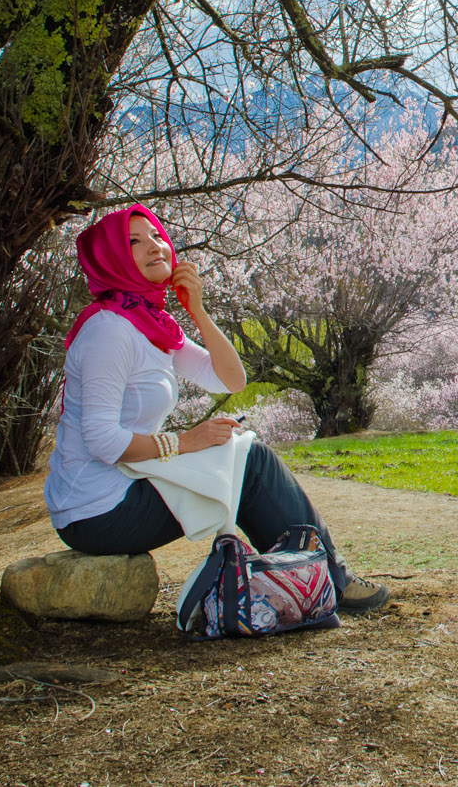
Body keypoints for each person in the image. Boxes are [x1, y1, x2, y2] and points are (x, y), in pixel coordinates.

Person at [42, 203, 389, 613]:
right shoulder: (109, 331)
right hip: (98, 509)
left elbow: (229, 379)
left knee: (243, 459)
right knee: (251, 463)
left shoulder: (148, 322)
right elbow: (101, 441)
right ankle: (327, 579)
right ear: (110, 258)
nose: (154, 246)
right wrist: (186, 442)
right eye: (133, 241)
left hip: (122, 484)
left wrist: (197, 310)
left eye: (156, 235)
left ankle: (309, 577)